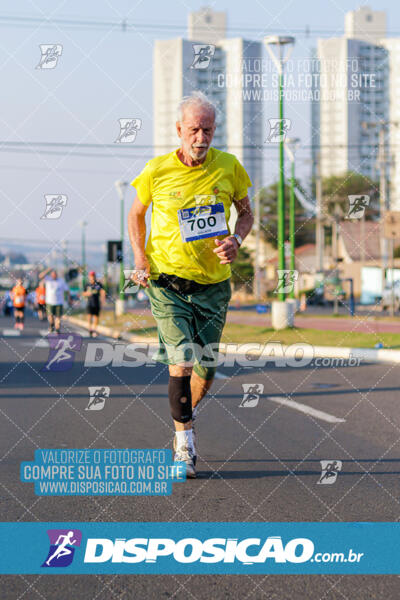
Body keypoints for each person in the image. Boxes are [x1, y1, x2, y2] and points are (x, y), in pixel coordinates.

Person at [128, 91, 254, 478]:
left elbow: (246, 212)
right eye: (194, 130)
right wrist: (141, 258)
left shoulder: (229, 166)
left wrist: (236, 238)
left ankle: (185, 413)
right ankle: (185, 446)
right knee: (181, 359)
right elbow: (136, 213)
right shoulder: (157, 170)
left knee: (207, 365)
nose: (201, 138)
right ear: (179, 130)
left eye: (209, 130)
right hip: (167, 282)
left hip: (213, 284)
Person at [39, 267, 70, 334]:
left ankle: (57, 329)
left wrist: (69, 298)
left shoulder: (61, 281)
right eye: (52, 274)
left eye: (55, 274)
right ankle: (51, 324)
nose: (54, 276)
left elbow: (67, 290)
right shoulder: (48, 279)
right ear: (51, 275)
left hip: (59, 302)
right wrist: (47, 270)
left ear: (57, 275)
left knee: (58, 316)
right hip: (50, 302)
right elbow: (40, 276)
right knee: (50, 316)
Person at [82, 270, 106, 337]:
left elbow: (102, 291)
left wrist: (103, 300)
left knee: (96, 317)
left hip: (96, 303)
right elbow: (83, 293)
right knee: (89, 317)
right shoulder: (87, 285)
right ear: (89, 277)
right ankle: (90, 330)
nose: (92, 277)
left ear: (95, 276)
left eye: (93, 276)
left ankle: (94, 330)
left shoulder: (98, 284)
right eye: (91, 276)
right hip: (89, 303)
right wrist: (87, 293)